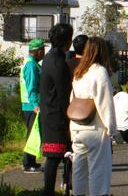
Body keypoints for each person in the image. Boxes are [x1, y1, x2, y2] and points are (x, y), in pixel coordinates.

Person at [70, 36, 116, 196]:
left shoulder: (79, 72)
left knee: (79, 169)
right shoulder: (99, 72)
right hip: (95, 128)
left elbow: (73, 99)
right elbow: (105, 103)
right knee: (98, 170)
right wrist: (111, 128)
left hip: (77, 127)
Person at [40, 23, 73, 196]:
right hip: (56, 116)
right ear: (67, 41)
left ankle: (55, 189)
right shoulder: (59, 62)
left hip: (49, 112)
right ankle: (48, 192)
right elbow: (63, 94)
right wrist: (69, 118)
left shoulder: (49, 57)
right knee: (54, 158)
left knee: (57, 156)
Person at [20, 38, 45, 173]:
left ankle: (32, 162)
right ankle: (27, 163)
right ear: (38, 51)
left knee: (33, 132)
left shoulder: (32, 63)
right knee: (32, 134)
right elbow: (32, 87)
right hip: (31, 105)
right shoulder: (31, 65)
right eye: (43, 51)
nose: (44, 54)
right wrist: (36, 104)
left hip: (30, 104)